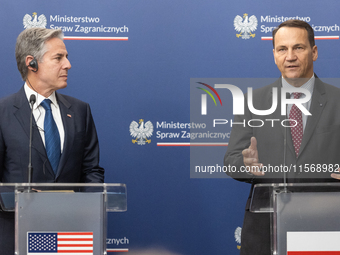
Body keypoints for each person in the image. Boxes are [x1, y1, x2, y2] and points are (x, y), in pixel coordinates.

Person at [224, 20, 340, 255]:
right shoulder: (252, 102)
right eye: (282, 49)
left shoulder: (337, 100)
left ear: (314, 52)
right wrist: (248, 166)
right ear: (274, 55)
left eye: (298, 47)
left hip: (326, 223)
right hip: (266, 227)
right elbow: (231, 161)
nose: (290, 56)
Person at [0, 28, 104, 254]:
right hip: (17, 238)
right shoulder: (3, 112)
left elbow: (92, 171)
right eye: (58, 58)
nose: (68, 64)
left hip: (71, 237)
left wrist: (84, 209)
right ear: (32, 63)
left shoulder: (80, 111)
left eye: (66, 57)